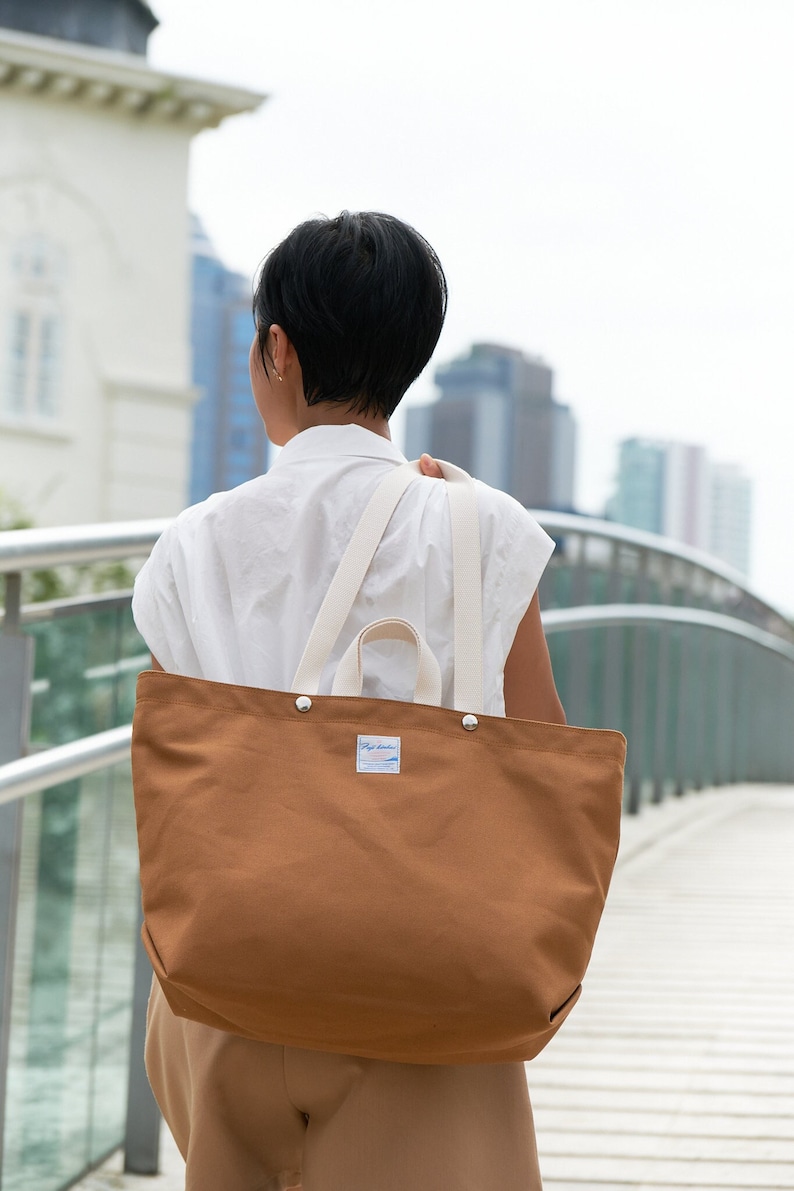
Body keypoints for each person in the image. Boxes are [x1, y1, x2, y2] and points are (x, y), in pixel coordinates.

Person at [132, 210, 565, 1191]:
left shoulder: (193, 546)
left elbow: (173, 774)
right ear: (411, 356)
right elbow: (541, 754)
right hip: (432, 989)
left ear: (275, 350)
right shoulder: (486, 530)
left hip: (231, 982)